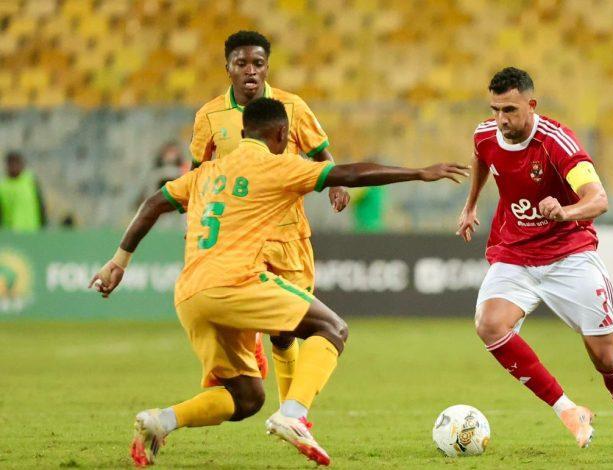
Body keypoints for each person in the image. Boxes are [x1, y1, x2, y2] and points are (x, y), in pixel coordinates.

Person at [91, 98, 469, 467]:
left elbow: (153, 203)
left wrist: (118, 261)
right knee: (332, 328)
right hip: (235, 281)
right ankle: (293, 414)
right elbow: (350, 174)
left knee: (246, 397)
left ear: (243, 133)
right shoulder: (277, 165)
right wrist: (419, 172)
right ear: (281, 134)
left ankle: (162, 421)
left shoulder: (206, 173)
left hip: (190, 294)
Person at [456, 68, 613, 453]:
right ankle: (569, 411)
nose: (501, 120)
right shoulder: (485, 134)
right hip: (515, 252)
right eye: (495, 110)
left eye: (510, 110)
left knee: (606, 357)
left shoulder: (557, 142)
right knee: (489, 325)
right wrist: (471, 205)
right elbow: (481, 158)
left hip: (568, 255)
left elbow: (598, 199)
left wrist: (564, 211)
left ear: (531, 105)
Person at [189, 31, 350, 393]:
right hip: (239, 239)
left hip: (289, 233)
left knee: (287, 331)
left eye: (258, 63)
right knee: (251, 317)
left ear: (267, 67)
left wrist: (336, 185)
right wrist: (196, 218)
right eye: (241, 63)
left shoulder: (292, 107)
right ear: (228, 68)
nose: (250, 70)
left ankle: (288, 410)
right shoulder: (210, 116)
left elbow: (320, 153)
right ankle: (280, 401)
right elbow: (198, 174)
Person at [0, 151, 46, 232]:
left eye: (17, 163)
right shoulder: (2, 186)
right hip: (12, 232)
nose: (14, 167)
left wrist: (43, 225)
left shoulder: (30, 180)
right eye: (11, 164)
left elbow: (40, 203)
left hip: (33, 230)